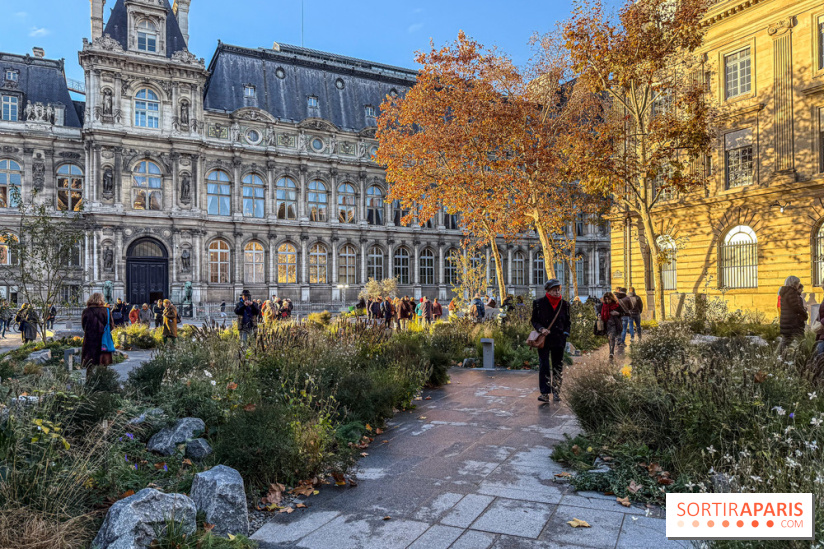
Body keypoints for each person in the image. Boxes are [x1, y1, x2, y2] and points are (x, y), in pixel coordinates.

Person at [531, 279, 571, 402]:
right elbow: (534, 320)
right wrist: (541, 329)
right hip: (544, 339)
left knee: (557, 366)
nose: (557, 292)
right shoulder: (538, 303)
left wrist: (565, 333)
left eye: (558, 290)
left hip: (559, 339)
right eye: (554, 290)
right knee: (544, 365)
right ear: (548, 291)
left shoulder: (565, 304)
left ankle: (557, 392)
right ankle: (544, 393)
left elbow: (568, 322)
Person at [81, 292, 114, 377]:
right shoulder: (106, 311)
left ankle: (89, 383)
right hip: (103, 342)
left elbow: (84, 327)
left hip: (90, 341)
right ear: (101, 300)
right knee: (103, 366)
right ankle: (103, 382)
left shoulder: (86, 311)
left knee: (90, 367)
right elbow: (111, 326)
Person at [779, 276, 807, 346]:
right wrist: (804, 313)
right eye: (798, 283)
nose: (798, 285)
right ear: (794, 284)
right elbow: (796, 307)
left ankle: (779, 353)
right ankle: (803, 352)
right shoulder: (791, 292)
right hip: (792, 322)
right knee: (801, 340)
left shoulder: (784, 292)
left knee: (785, 341)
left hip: (786, 321)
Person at [597, 292, 623, 359]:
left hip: (613, 324)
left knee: (612, 337)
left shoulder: (616, 305)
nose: (607, 301)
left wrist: (617, 313)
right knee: (609, 338)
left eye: (609, 299)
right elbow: (598, 311)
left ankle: (611, 352)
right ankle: (611, 350)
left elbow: (623, 313)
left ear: (612, 299)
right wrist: (599, 315)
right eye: (606, 299)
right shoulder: (602, 305)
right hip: (605, 324)